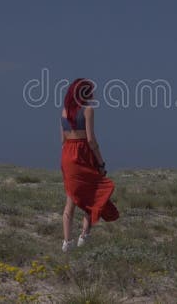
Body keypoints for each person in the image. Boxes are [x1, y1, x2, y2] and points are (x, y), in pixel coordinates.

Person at [59, 78, 119, 252]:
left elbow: (62, 140)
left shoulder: (63, 112)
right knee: (93, 195)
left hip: (67, 155)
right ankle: (84, 236)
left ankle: (66, 243)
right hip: (83, 154)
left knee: (71, 198)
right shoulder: (88, 110)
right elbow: (91, 140)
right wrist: (100, 162)